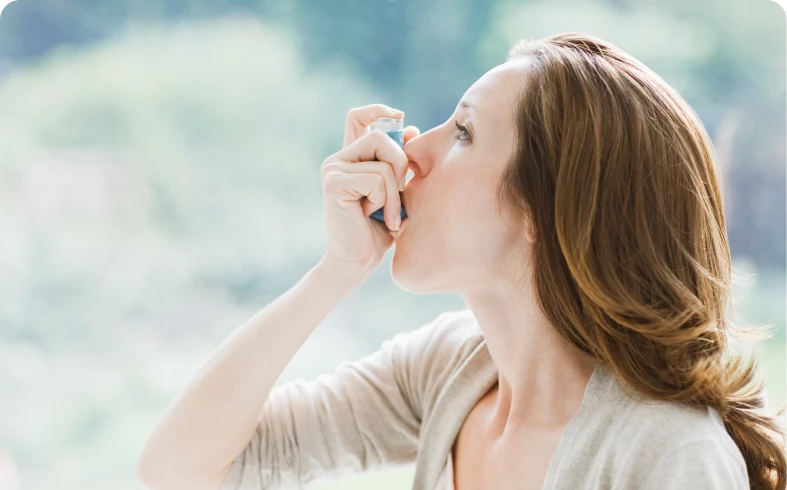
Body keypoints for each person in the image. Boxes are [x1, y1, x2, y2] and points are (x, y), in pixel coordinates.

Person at [137, 32, 787, 490]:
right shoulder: (451, 371)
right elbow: (182, 469)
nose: (411, 151)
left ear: (544, 210)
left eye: (464, 132)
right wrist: (336, 270)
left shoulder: (666, 452)